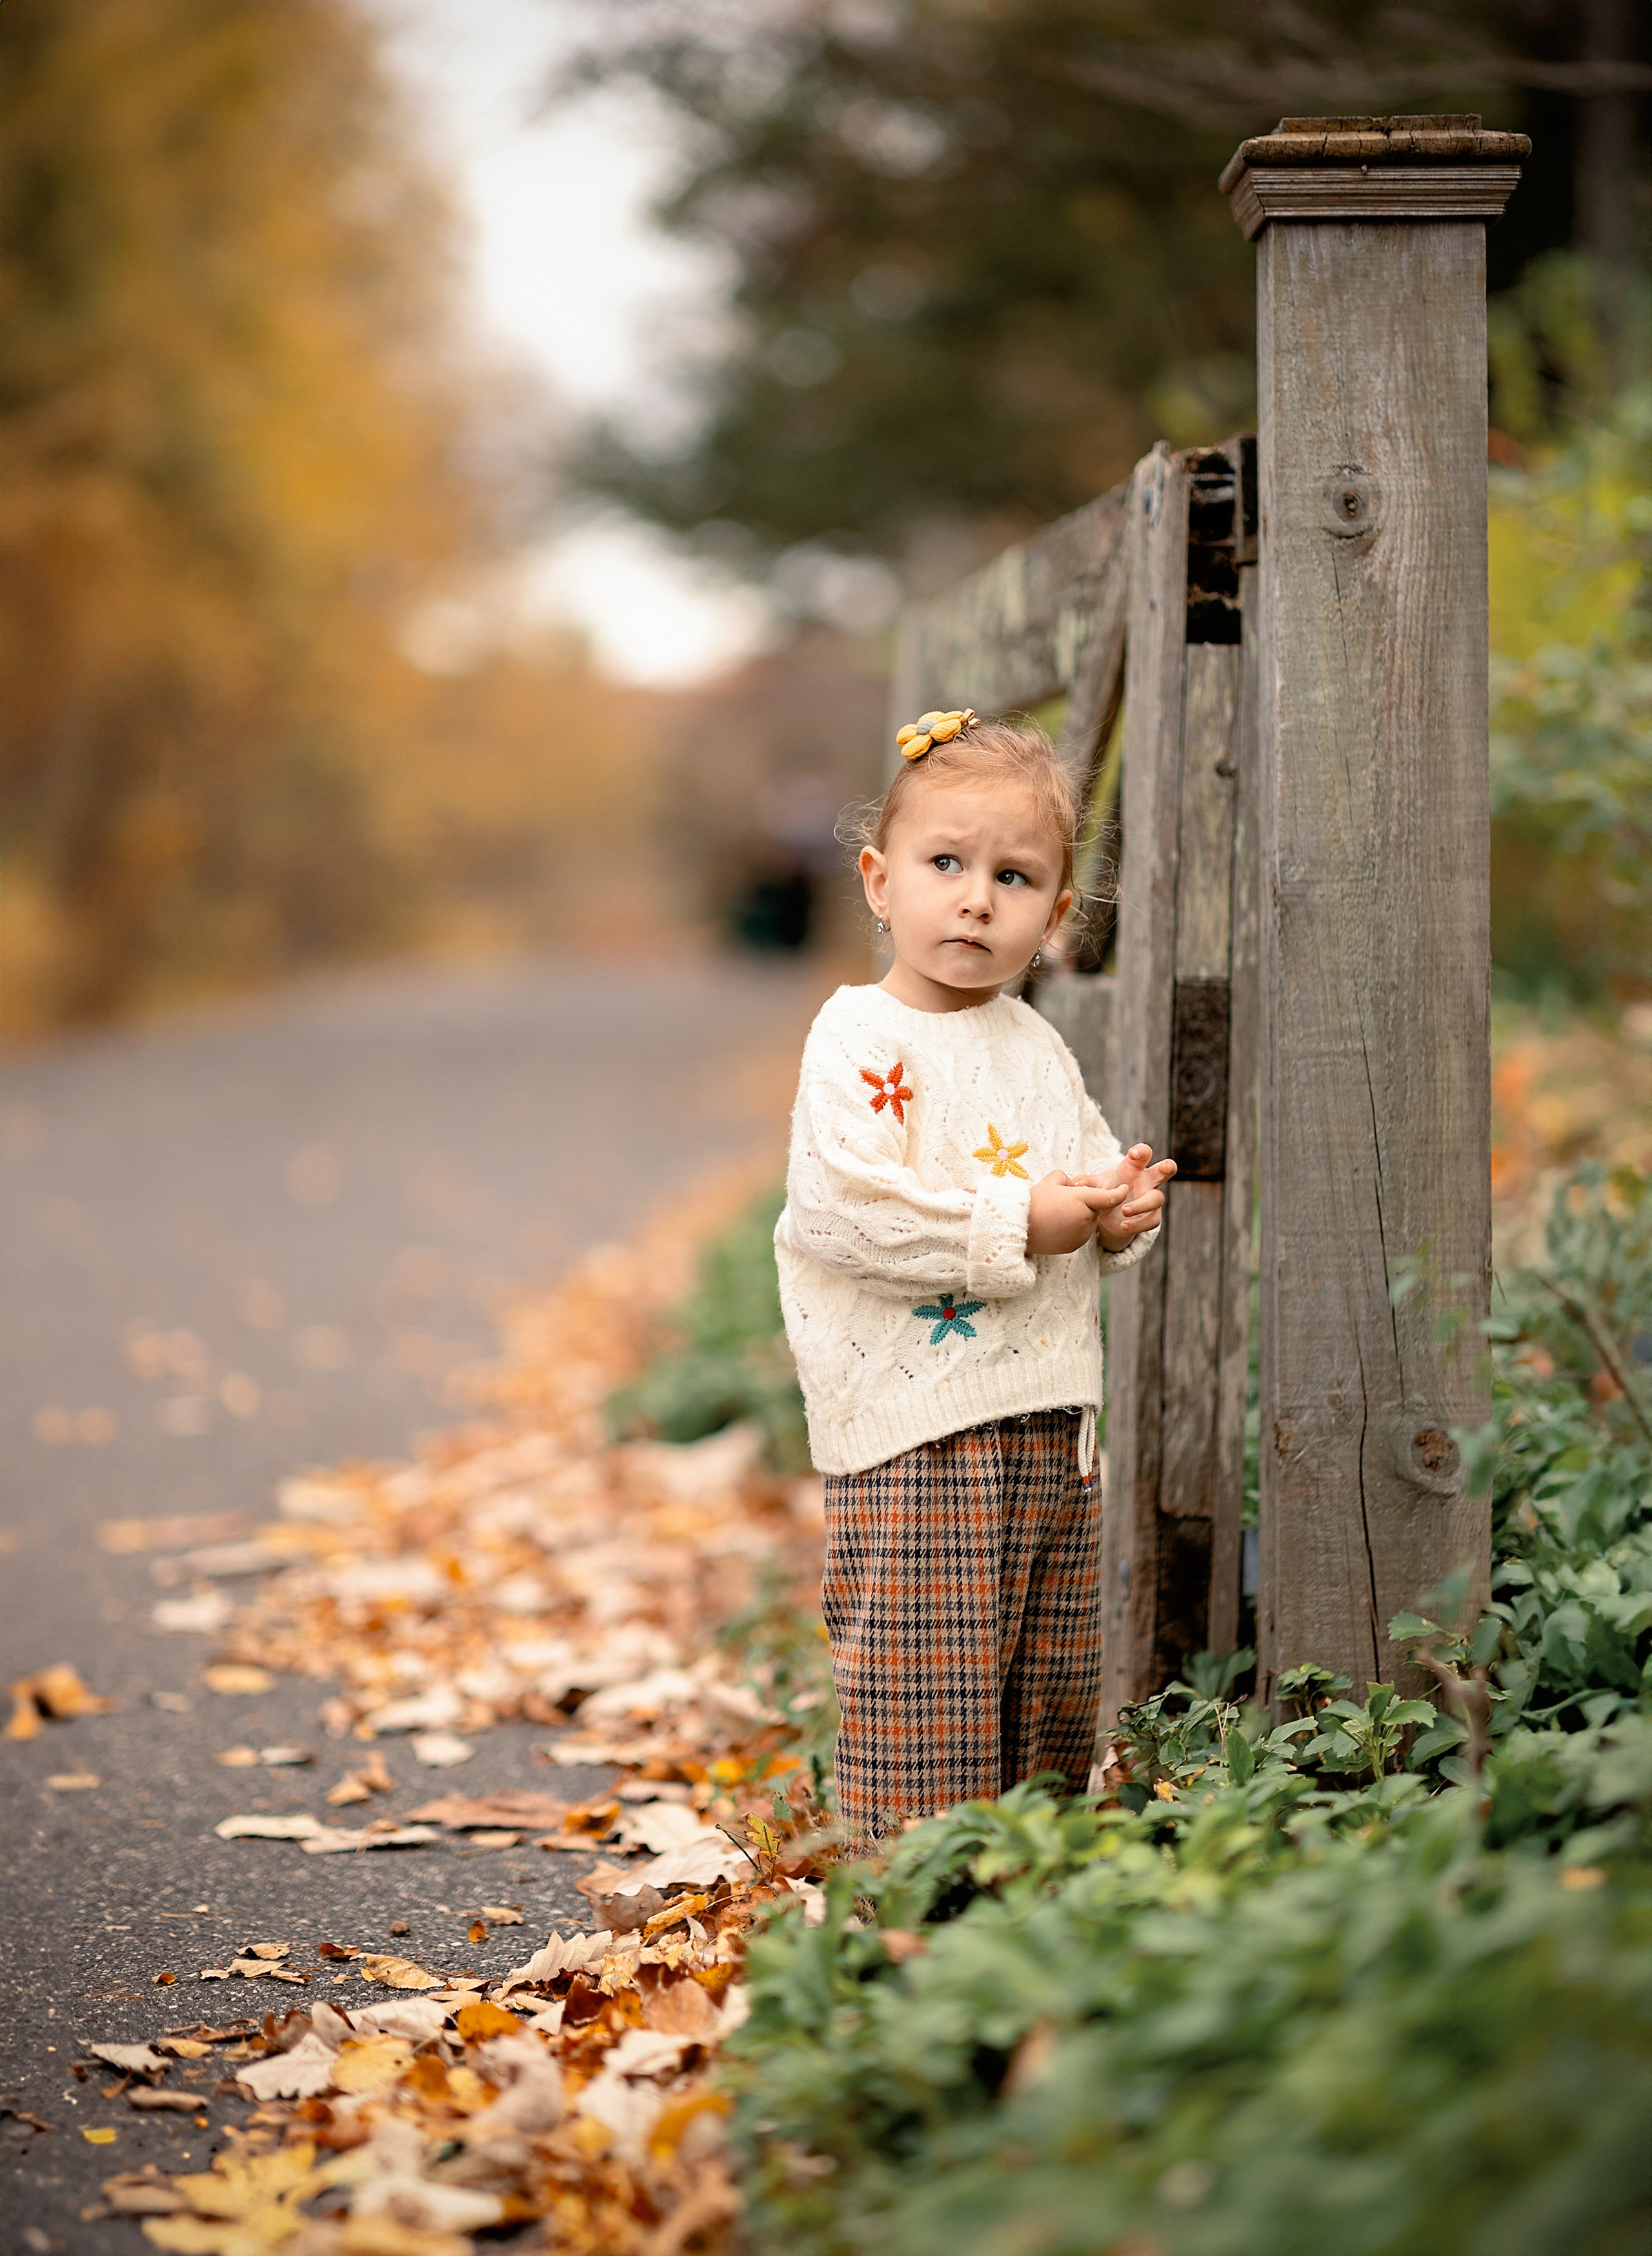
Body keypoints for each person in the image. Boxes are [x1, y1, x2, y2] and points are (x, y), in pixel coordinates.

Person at [774, 706, 1174, 1837]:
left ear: (1053, 914)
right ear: (878, 880)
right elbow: (846, 1213)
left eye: (1014, 876)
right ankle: (915, 1921)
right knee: (925, 1703)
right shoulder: (858, 1038)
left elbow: (1078, 1168)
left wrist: (1114, 1207)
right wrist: (1025, 1223)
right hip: (916, 1431)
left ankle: (1024, 1896)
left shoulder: (1033, 1043)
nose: (976, 897)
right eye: (945, 863)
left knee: (1044, 1695)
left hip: (1047, 1423)